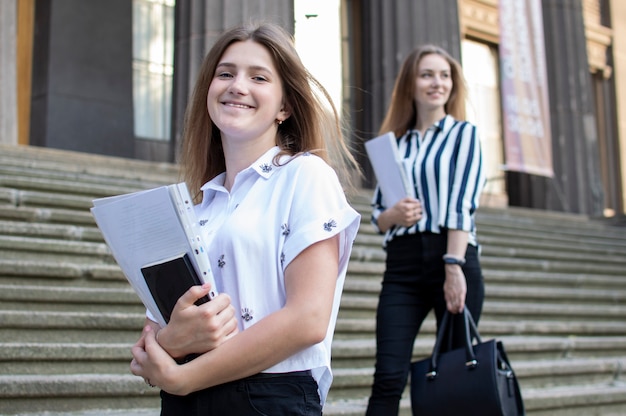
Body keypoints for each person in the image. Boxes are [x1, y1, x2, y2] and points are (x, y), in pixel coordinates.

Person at [129, 21, 361, 415]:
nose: (238, 85)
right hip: (185, 403)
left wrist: (185, 376)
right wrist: (172, 339)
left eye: (258, 77)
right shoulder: (197, 208)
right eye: (225, 73)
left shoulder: (305, 175)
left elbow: (308, 320)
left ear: (284, 107)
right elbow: (150, 341)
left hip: (267, 398)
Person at [365, 44, 486, 415]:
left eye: (445, 75)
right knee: (387, 375)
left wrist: (453, 267)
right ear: (411, 84)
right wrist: (394, 215)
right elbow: (376, 215)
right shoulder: (393, 144)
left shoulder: (463, 134)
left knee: (452, 379)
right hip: (401, 267)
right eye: (427, 74)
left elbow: (461, 202)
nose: (438, 83)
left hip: (452, 257)